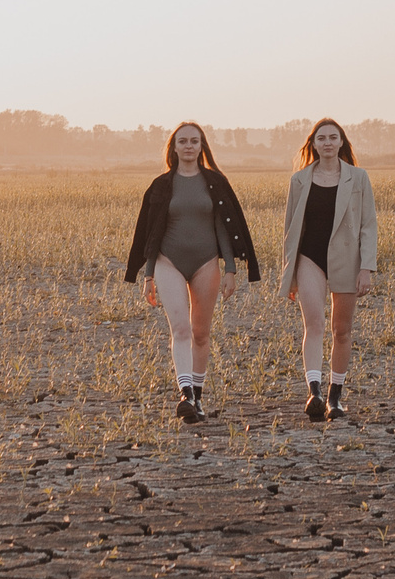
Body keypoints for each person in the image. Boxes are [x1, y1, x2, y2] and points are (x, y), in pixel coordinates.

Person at [123, 122, 261, 423]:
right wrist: (148, 276)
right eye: (182, 141)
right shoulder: (161, 185)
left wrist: (230, 269)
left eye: (194, 141)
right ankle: (184, 393)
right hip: (167, 262)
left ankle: (197, 397)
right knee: (181, 330)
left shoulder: (215, 182)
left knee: (201, 333)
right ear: (173, 147)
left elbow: (223, 227)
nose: (188, 146)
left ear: (202, 146)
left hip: (206, 262)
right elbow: (151, 234)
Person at [280, 118, 377, 423]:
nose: (327, 143)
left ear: (341, 142)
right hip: (309, 258)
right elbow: (291, 230)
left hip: (347, 260)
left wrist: (366, 268)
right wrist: (291, 272)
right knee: (314, 325)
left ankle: (335, 396)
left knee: (341, 330)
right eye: (321, 138)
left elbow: (368, 226)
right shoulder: (299, 180)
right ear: (313, 144)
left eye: (333, 137)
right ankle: (315, 393)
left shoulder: (358, 178)